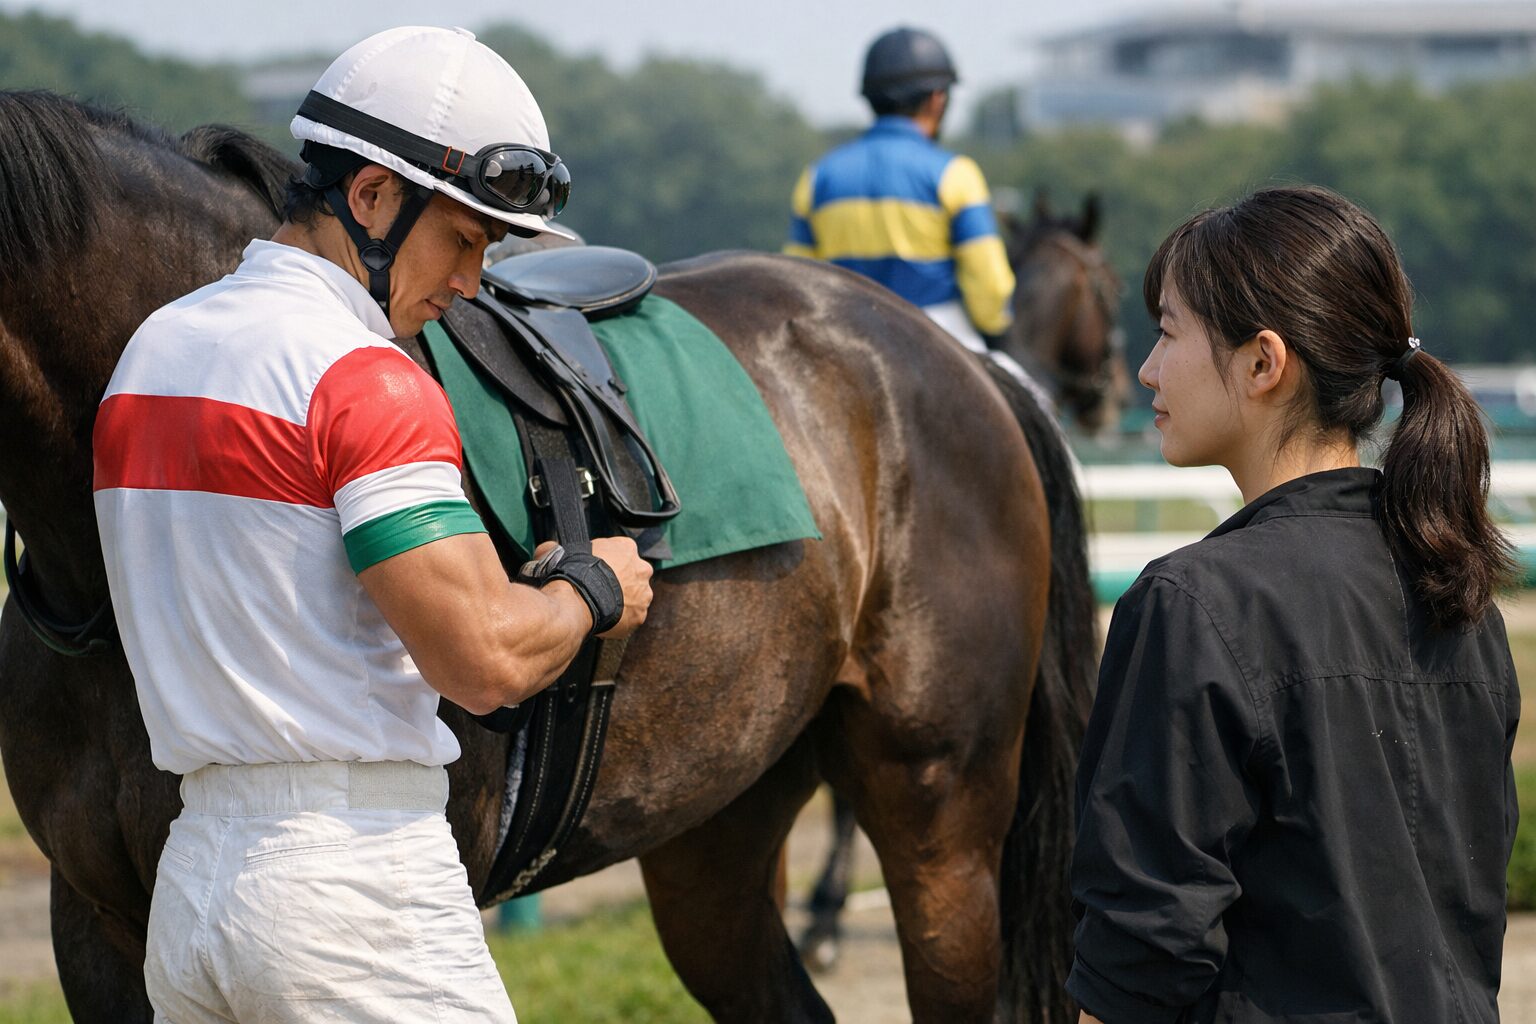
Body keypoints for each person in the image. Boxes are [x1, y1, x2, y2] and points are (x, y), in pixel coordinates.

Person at [92, 26, 653, 1023]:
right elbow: (481, 658)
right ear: (372, 198)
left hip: (191, 895)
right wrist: (592, 590)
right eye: (465, 239)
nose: (472, 282)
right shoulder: (365, 379)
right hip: (350, 890)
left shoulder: (151, 352)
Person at [1069, 185, 1520, 1023]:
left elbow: (1140, 951)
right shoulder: (1464, 602)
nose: (1146, 369)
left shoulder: (1191, 605)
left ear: (1263, 363)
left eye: (1168, 333)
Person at [784, 26, 1016, 357]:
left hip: (841, 340)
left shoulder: (817, 178)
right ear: (938, 99)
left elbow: (796, 280)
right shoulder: (955, 174)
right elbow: (990, 289)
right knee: (1030, 399)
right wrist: (996, 325)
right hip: (940, 335)